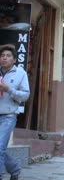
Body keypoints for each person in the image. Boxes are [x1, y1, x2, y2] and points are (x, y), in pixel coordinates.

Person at [0, 46, 30, 180]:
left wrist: (8, 89)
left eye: (8, 55)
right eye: (2, 55)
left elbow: (25, 96)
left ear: (14, 60)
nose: (4, 58)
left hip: (8, 116)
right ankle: (15, 168)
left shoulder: (20, 73)